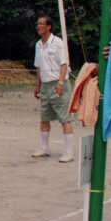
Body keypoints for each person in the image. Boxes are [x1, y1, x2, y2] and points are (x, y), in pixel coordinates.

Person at [31, 16, 75, 163]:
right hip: (45, 85)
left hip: (58, 82)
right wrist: (38, 86)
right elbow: (39, 67)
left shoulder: (57, 43)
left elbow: (63, 64)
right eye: (38, 24)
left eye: (42, 24)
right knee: (44, 118)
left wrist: (61, 83)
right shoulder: (38, 45)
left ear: (49, 26)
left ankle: (69, 152)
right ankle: (45, 147)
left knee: (64, 118)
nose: (39, 26)